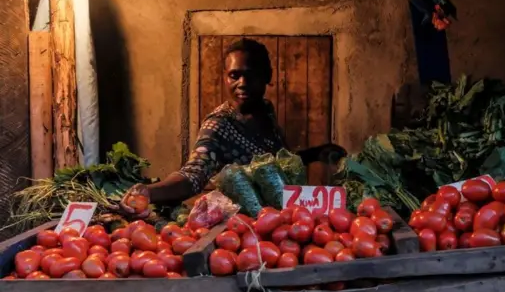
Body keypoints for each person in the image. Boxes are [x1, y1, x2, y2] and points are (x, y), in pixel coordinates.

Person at [112, 38, 346, 218]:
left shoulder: (266, 110)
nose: (242, 83)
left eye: (250, 75)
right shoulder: (218, 125)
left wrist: (313, 155)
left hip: (280, 222)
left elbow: (272, 164)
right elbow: (193, 174)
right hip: (240, 231)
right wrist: (149, 192)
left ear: (267, 76)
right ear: (225, 78)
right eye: (234, 75)